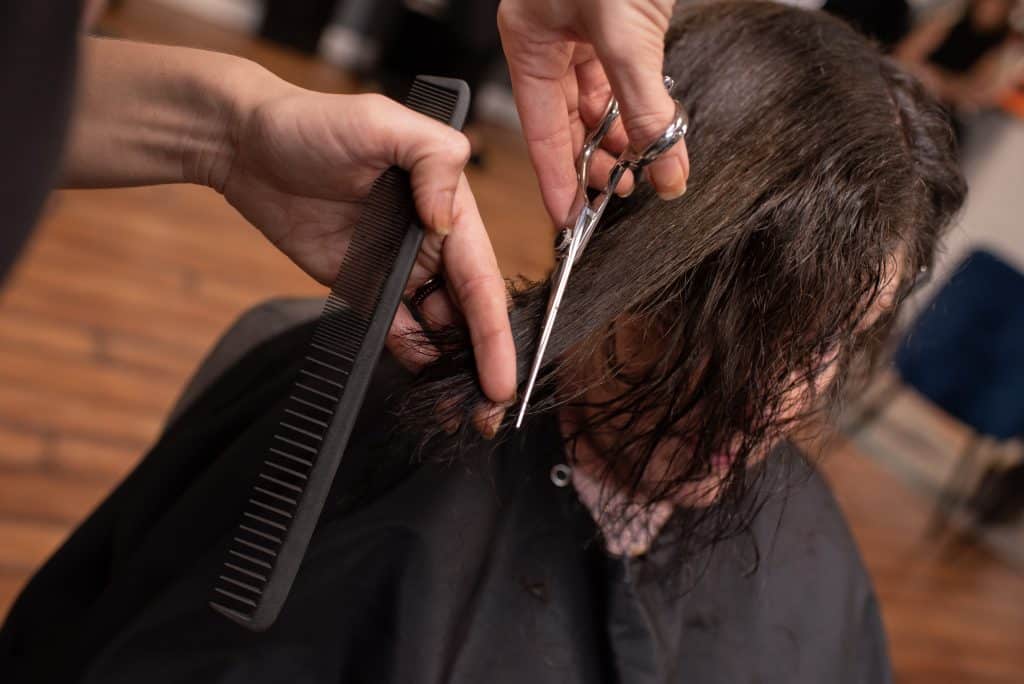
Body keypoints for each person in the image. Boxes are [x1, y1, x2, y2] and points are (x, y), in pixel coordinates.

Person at [1, 2, 966, 682]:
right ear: (619, 235)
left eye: (834, 341)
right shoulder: (357, 430)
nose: (782, 401)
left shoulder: (815, 565)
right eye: (750, 335)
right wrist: (214, 132)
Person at [895, 0, 1024, 113]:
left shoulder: (1007, 43)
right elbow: (905, 53)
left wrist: (934, 81)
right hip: (908, 90)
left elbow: (979, 91)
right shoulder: (953, 14)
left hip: (946, 112)